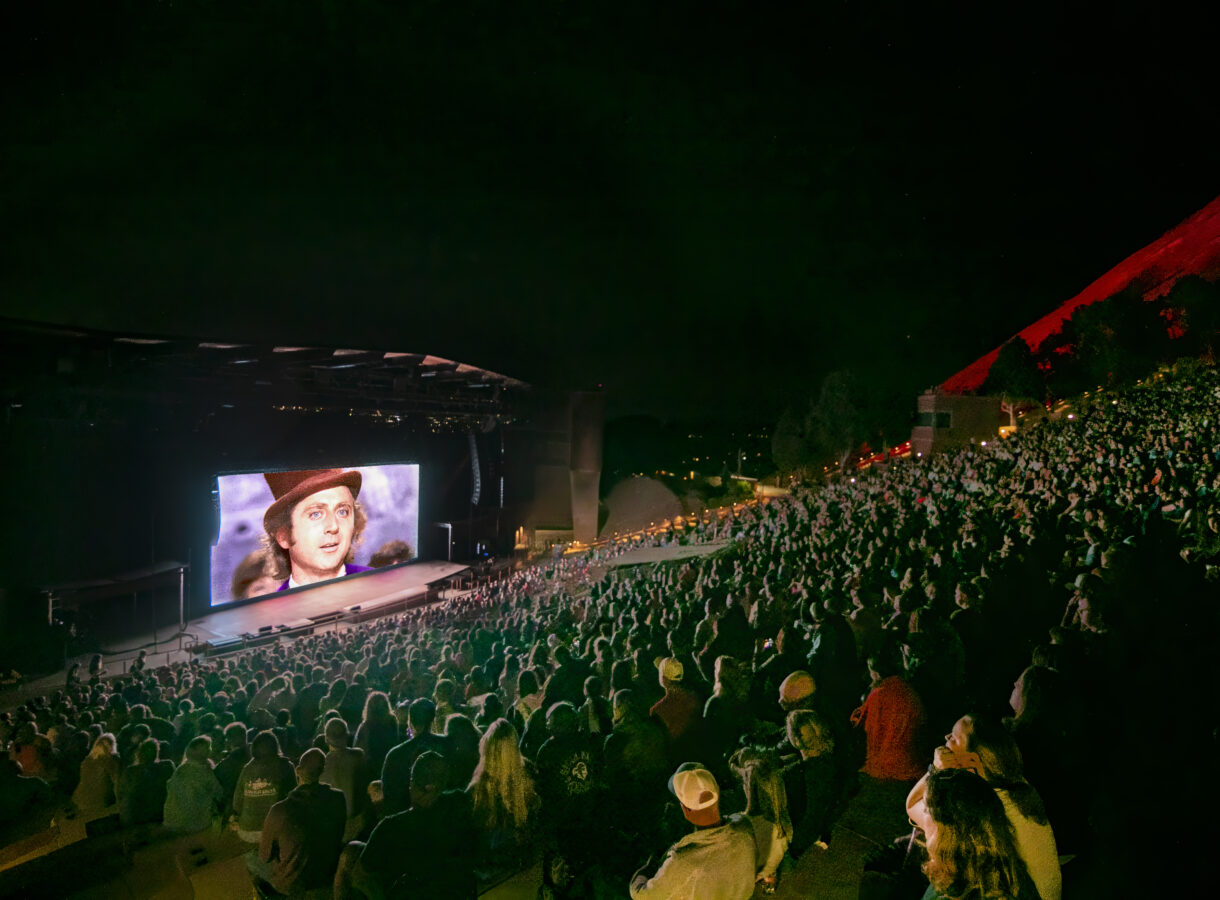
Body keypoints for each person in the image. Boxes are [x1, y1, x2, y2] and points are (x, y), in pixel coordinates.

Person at [907, 715, 1062, 900]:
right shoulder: (1018, 786)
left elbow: (912, 805)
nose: (946, 740)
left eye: (954, 739)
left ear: (973, 760)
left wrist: (936, 770)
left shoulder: (974, 805)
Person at [352, 751, 478, 899]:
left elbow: (359, 876)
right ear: (444, 782)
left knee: (350, 853)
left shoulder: (390, 828)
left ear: (411, 783)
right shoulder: (461, 808)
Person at [628, 763, 756, 900]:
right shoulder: (744, 826)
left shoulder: (682, 862)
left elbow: (641, 894)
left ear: (685, 809)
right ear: (717, 792)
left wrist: (649, 866)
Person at [909, 768, 1039, 900]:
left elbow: (911, 805)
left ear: (945, 830)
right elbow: (911, 806)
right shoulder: (1003, 870)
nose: (921, 814)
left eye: (925, 809)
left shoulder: (956, 888)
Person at [248, 747, 348, 897]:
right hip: (328, 874)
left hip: (292, 884)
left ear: (297, 770)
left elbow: (265, 856)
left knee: (250, 860)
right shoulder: (338, 798)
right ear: (322, 771)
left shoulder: (280, 810)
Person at [261, 468, 372, 590]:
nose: (334, 526)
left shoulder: (378, 583)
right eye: (315, 514)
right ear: (284, 536)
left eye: (342, 512)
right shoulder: (275, 607)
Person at [466, 718, 539, 873]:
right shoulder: (528, 771)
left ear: (487, 746)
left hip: (490, 871)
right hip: (520, 863)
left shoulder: (478, 787)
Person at [728, 747, 792, 894]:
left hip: (751, 873)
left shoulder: (743, 823)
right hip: (767, 867)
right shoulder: (782, 822)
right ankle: (770, 882)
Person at [380, 697, 447, 815]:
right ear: (433, 719)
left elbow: (389, 796)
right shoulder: (447, 745)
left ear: (410, 721)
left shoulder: (396, 754)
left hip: (406, 820)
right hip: (442, 817)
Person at [233, 730, 297, 844]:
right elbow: (294, 798)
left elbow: (237, 802)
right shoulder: (285, 766)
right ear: (275, 746)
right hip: (272, 831)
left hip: (246, 831)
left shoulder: (247, 768)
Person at [163, 735, 225, 834]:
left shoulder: (182, 768)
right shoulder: (204, 769)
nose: (210, 750)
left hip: (173, 819)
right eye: (208, 747)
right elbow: (218, 792)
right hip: (195, 822)